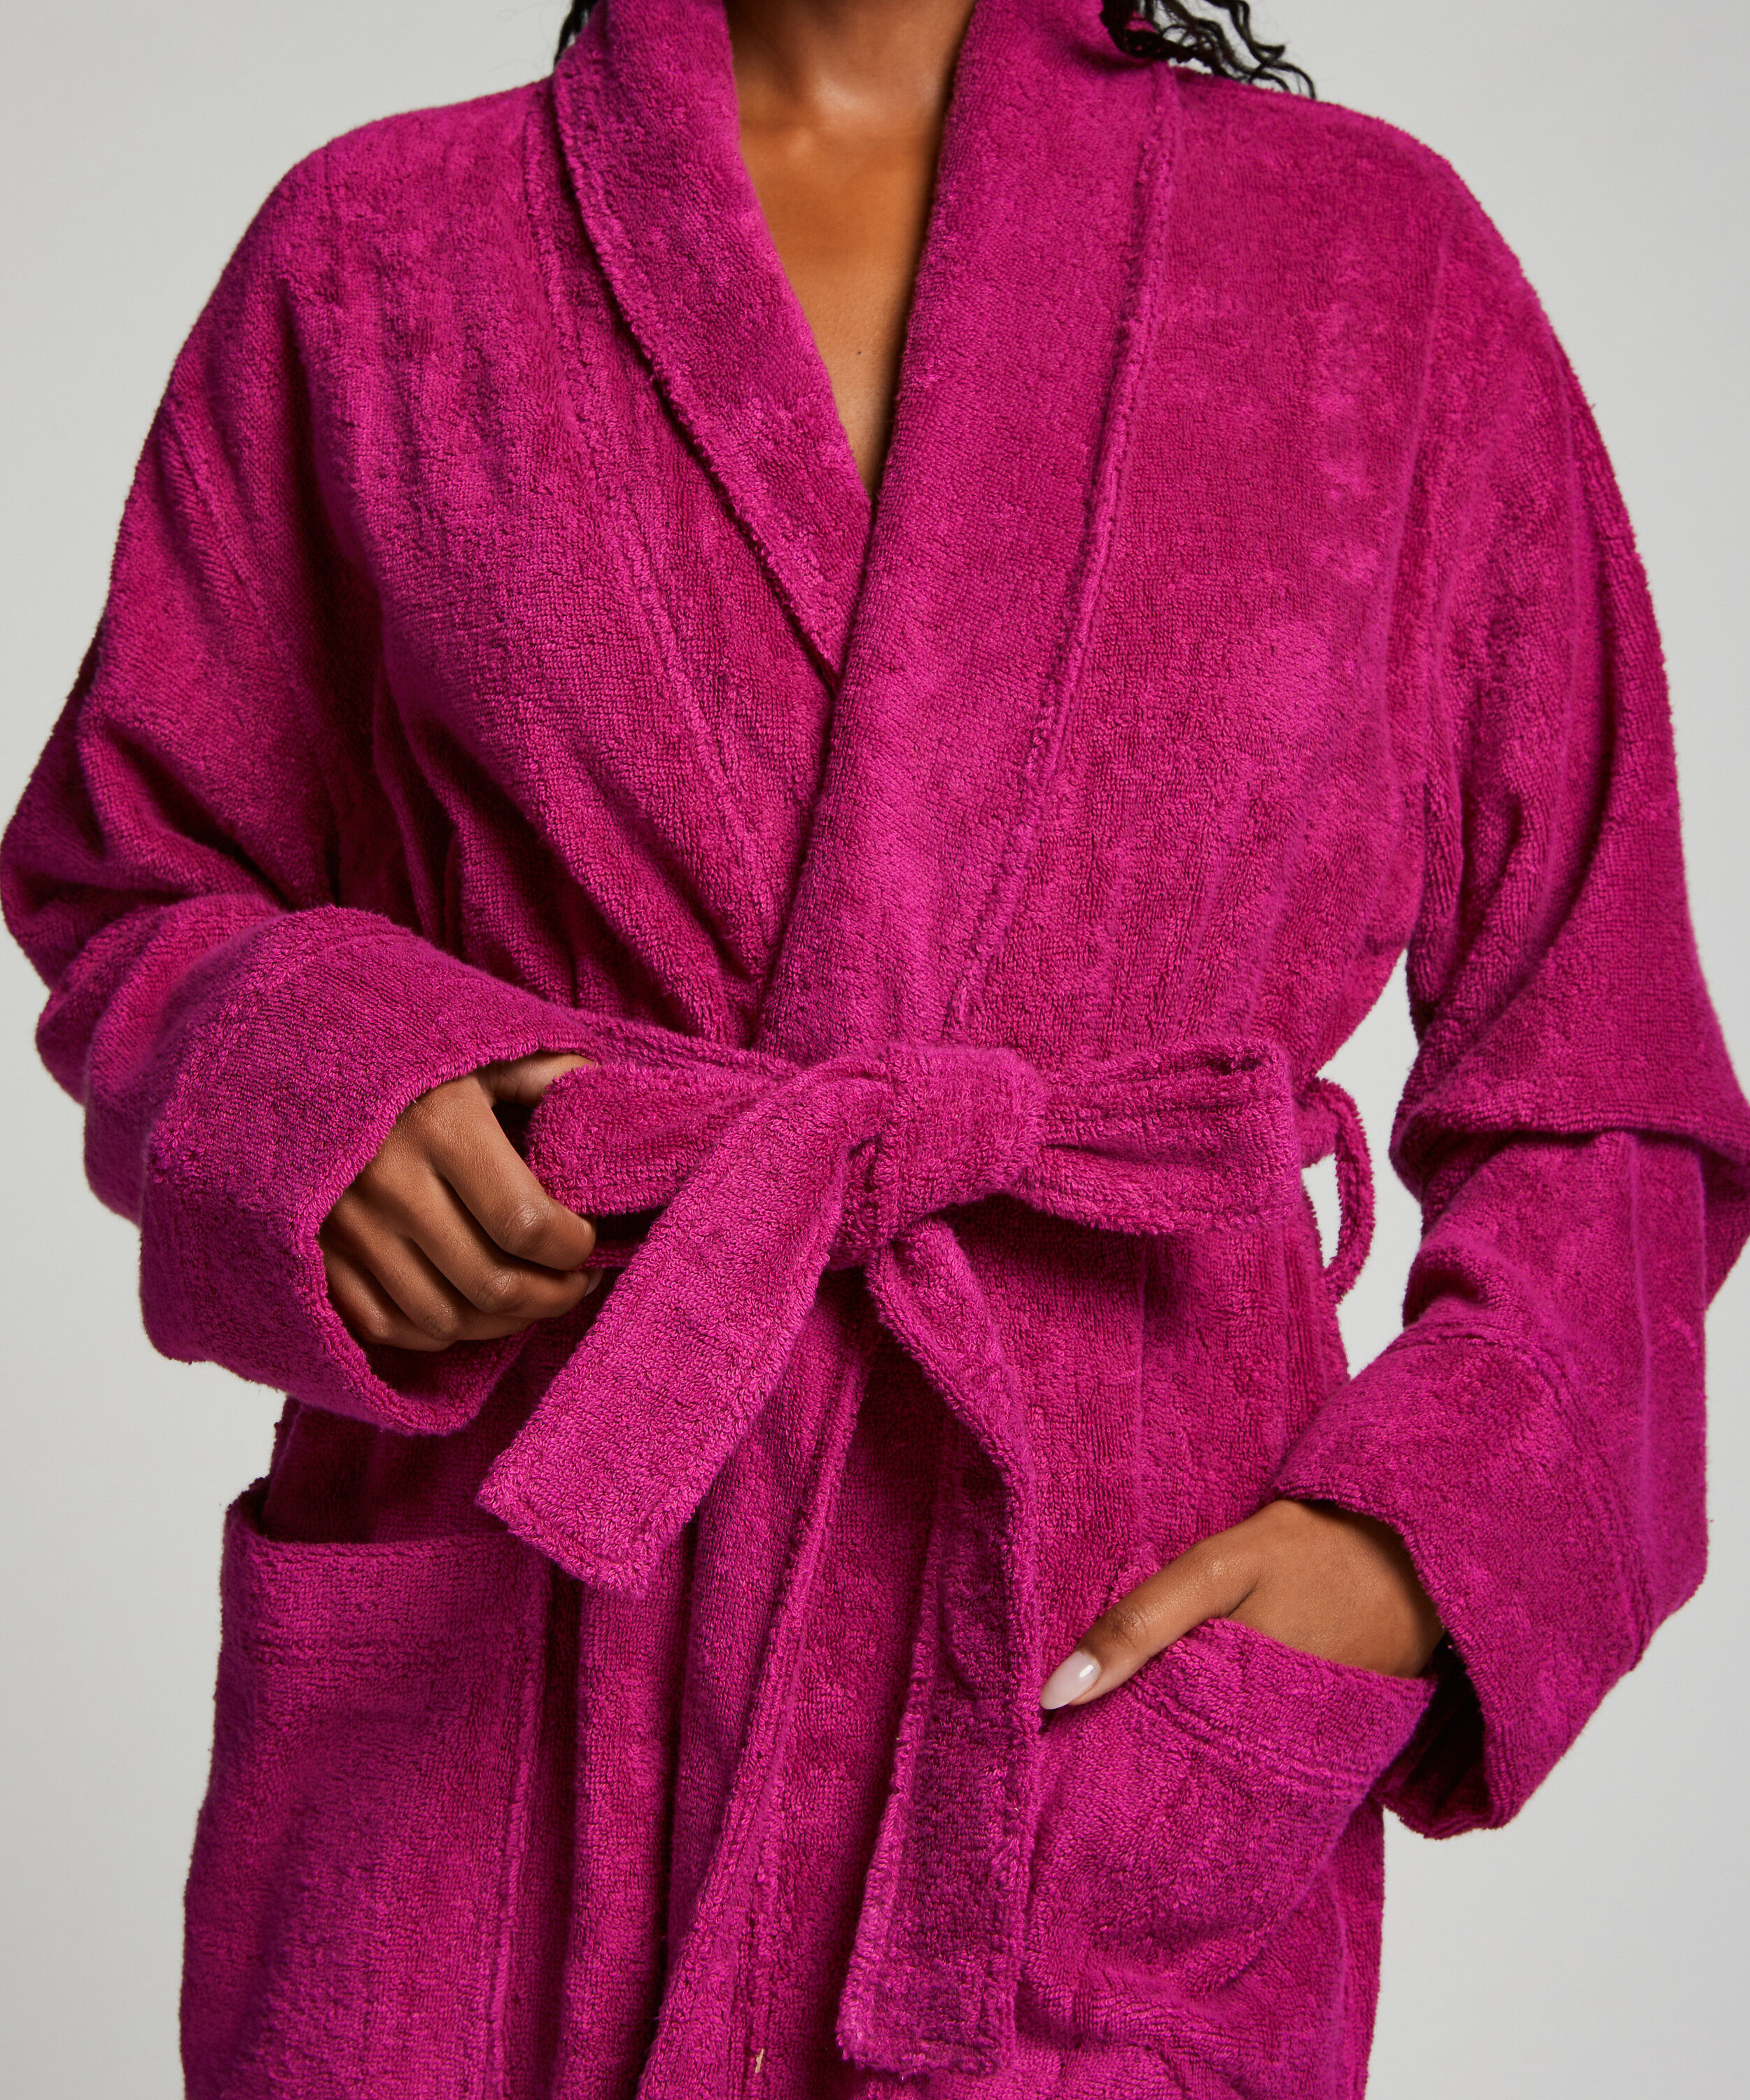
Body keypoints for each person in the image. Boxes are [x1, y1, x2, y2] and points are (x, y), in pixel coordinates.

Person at [4, 0, 1746, 2093]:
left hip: (1085, 1671)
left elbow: (1604, 1075)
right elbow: (137, 875)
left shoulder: (1378, 268)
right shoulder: (378, 251)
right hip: (509, 1679)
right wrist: (329, 1095)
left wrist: (1414, 1549)